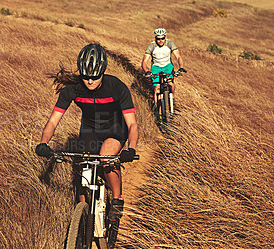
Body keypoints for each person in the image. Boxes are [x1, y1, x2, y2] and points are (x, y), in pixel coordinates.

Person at [35, 43, 139, 222]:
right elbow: (53, 121)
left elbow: (132, 124)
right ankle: (83, 220)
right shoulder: (73, 90)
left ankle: (117, 198)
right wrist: (43, 143)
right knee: (82, 167)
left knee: (106, 157)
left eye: (95, 77)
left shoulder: (116, 87)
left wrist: (131, 148)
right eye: (85, 76)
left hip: (115, 129)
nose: (90, 81)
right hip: (90, 129)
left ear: (103, 71)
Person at [141, 28, 184, 112]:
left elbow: (178, 56)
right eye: (158, 38)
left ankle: (172, 101)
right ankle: (157, 109)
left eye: (162, 38)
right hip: (155, 68)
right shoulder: (151, 46)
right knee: (157, 88)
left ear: (165, 37)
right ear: (155, 38)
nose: (160, 40)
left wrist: (181, 67)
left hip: (167, 67)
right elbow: (144, 62)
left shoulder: (170, 43)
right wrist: (147, 71)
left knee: (171, 84)